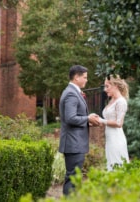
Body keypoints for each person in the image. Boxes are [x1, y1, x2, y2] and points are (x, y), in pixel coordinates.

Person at [58, 65, 100, 195]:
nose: (86, 80)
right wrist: (87, 118)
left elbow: (73, 117)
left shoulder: (72, 91)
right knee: (72, 178)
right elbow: (70, 118)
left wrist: (88, 122)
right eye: (85, 77)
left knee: (73, 177)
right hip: (73, 143)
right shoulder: (71, 93)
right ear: (76, 77)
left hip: (74, 143)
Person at [98, 74, 130, 171]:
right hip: (110, 140)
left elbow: (119, 123)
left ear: (115, 86)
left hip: (117, 140)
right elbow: (108, 120)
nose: (105, 89)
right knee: (111, 167)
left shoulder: (121, 102)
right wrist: (96, 121)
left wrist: (101, 120)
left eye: (107, 86)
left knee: (117, 168)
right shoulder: (112, 100)